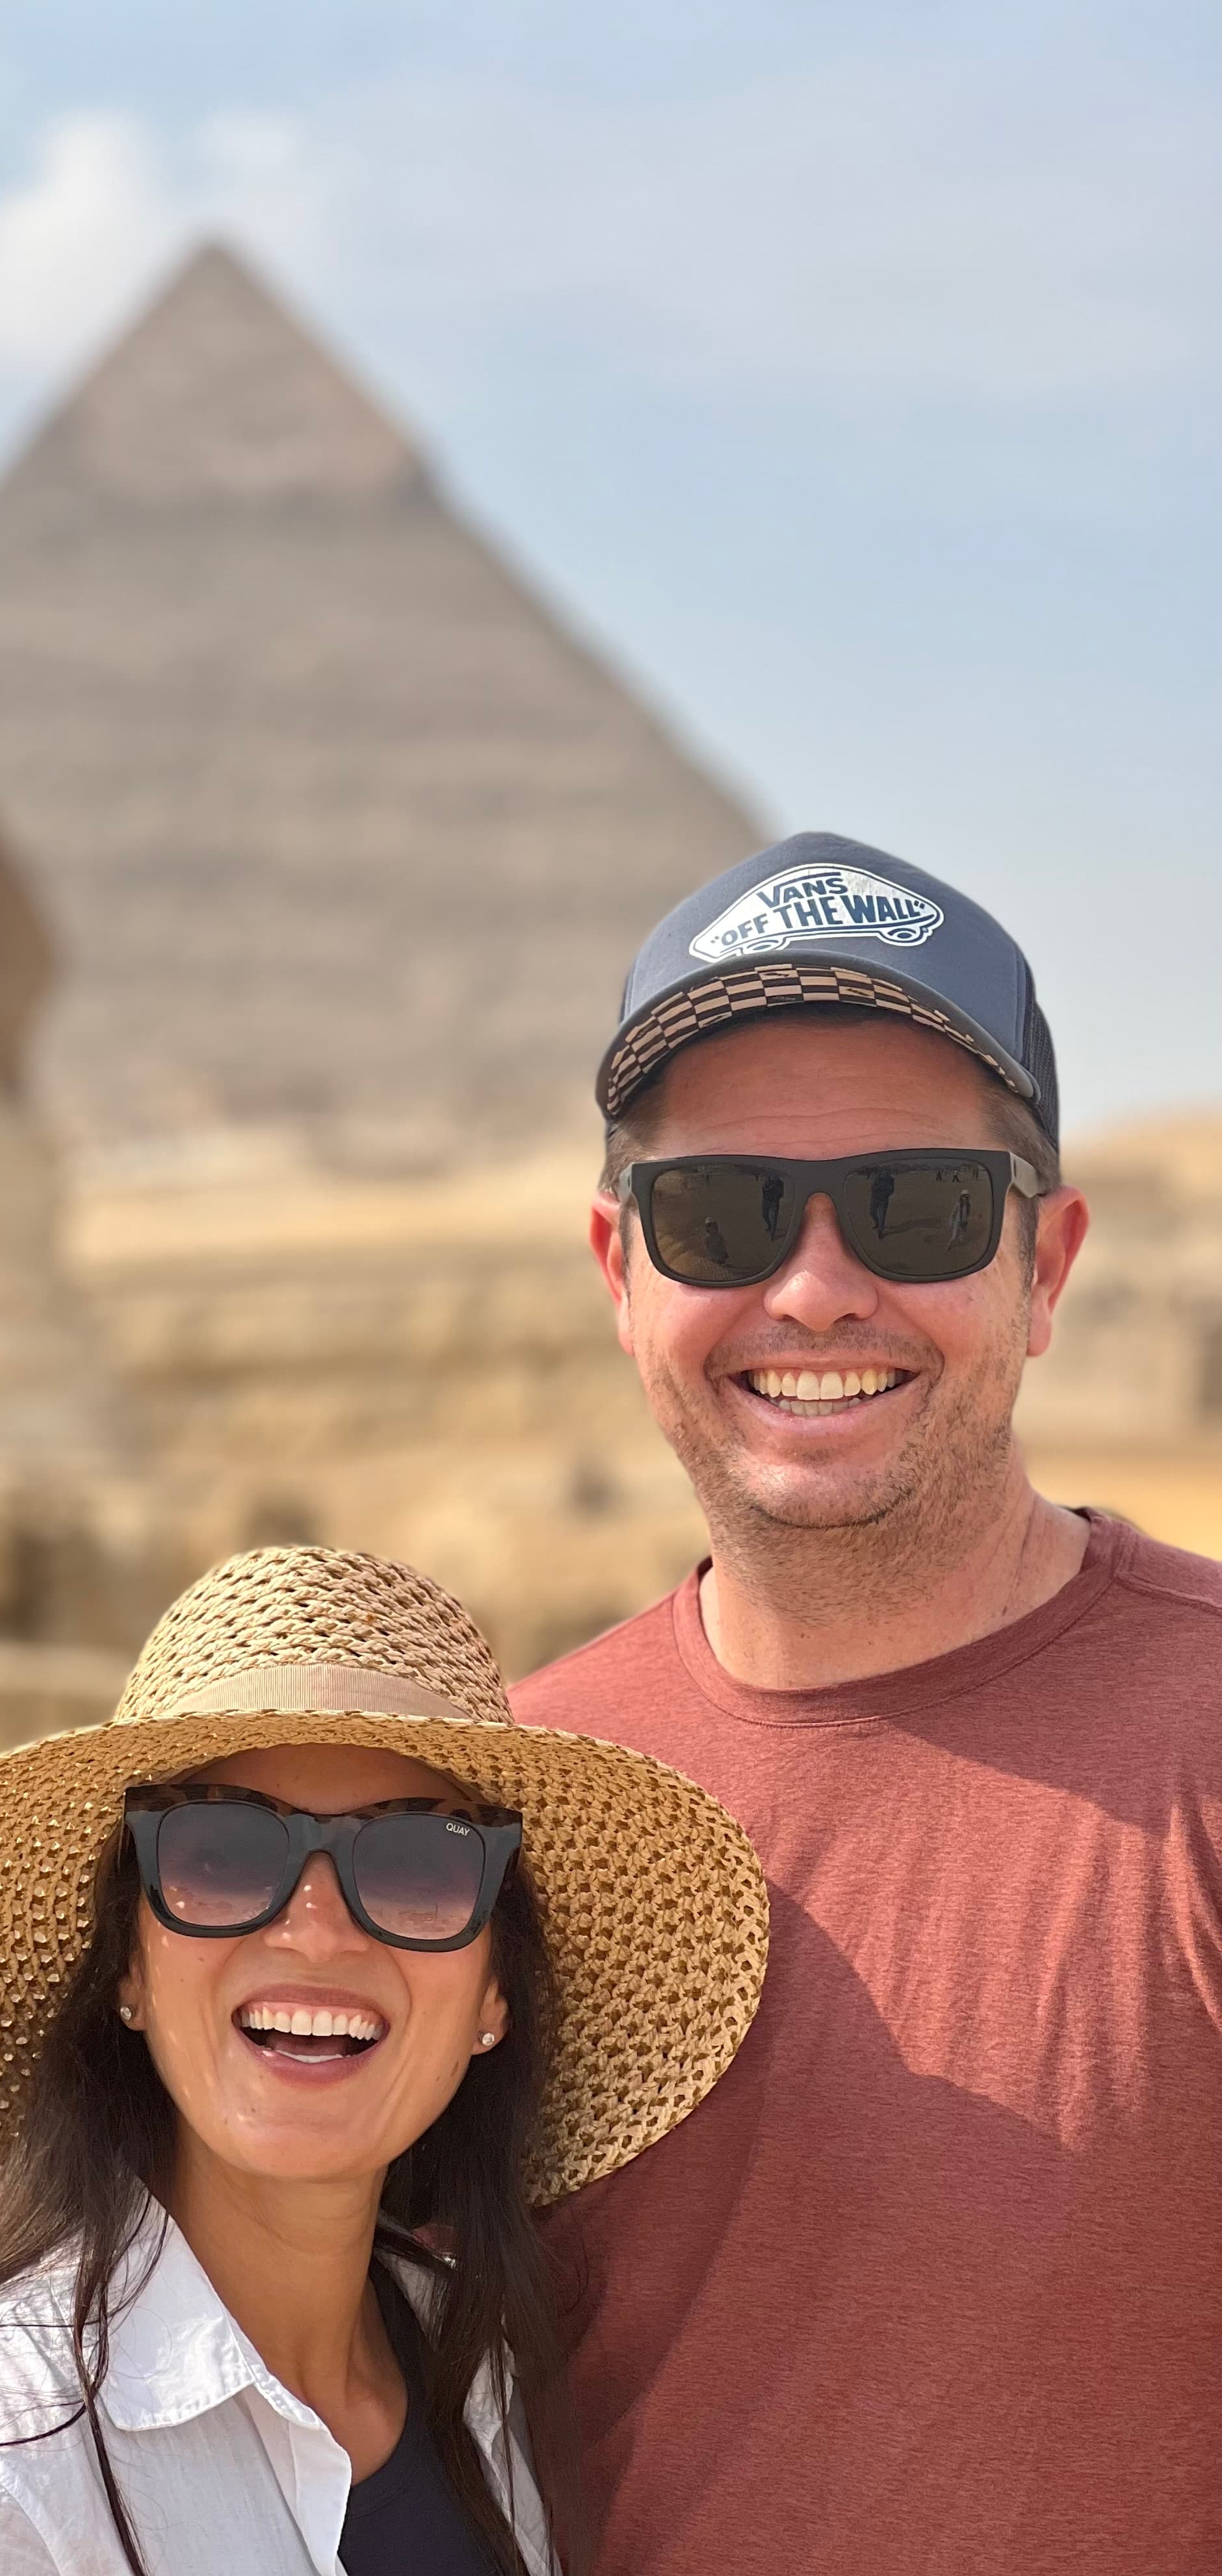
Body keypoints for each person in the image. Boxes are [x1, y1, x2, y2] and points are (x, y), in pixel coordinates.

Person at [514, 833, 1222, 2570]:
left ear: (1044, 1268)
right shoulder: (493, 1808)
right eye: (723, 1216)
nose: (816, 1287)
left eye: (911, 1209)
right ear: (621, 1271)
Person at [0, 1542, 766, 2573]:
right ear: (129, 1968)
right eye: (223, 1855)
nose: (317, 1931)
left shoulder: (482, 2371)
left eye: (418, 1864)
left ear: (494, 1997)